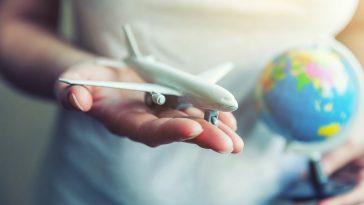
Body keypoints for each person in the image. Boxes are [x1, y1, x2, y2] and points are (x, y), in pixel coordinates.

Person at [0, 0, 363, 204]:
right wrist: (78, 73)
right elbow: (13, 24)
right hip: (107, 187)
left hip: (293, 187)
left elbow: (356, 27)